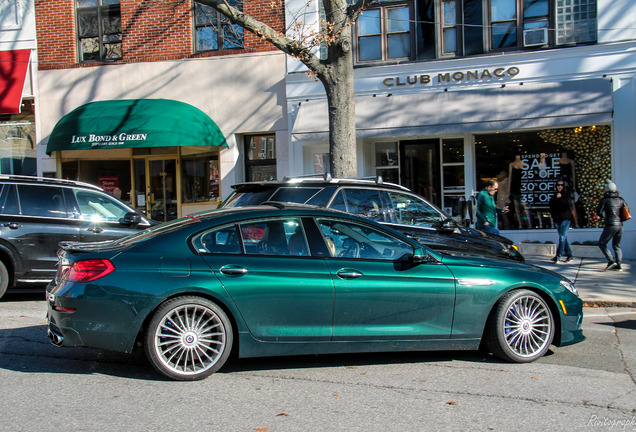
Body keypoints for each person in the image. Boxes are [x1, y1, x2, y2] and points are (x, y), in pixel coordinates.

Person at [595, 180, 630, 271]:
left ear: (607, 190)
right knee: (617, 245)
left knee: (602, 243)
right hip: (620, 225)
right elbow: (627, 209)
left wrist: (604, 216)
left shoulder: (605, 199)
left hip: (611, 224)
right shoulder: (620, 199)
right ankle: (619, 265)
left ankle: (611, 261)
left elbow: (599, 212)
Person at [549, 181, 574, 263]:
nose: (560, 186)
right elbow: (551, 206)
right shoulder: (554, 195)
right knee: (564, 238)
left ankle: (558, 255)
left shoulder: (566, 195)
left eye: (561, 185)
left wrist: (560, 198)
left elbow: (567, 205)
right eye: (558, 185)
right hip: (557, 218)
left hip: (565, 218)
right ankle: (569, 254)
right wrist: (553, 217)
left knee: (562, 237)